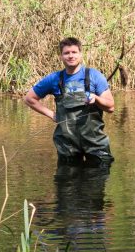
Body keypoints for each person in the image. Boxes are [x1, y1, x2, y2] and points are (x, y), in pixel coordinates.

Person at [24, 37, 114, 165]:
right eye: (66, 53)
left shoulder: (95, 76)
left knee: (97, 180)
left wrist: (97, 99)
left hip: (95, 144)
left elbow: (111, 107)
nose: (71, 56)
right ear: (61, 56)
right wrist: (52, 115)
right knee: (67, 182)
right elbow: (29, 98)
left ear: (80, 54)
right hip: (67, 145)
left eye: (74, 52)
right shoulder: (54, 79)